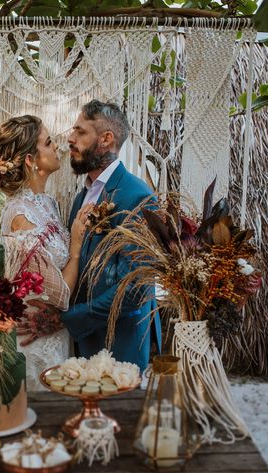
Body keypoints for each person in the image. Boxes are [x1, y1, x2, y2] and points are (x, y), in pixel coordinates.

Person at [18, 100, 161, 371]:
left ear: (106, 139)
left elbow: (134, 291)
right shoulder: (81, 197)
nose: (70, 139)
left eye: (81, 132)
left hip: (119, 347)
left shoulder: (137, 197)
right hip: (80, 346)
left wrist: (67, 319)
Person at [0, 115, 90, 391]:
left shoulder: (48, 204)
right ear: (31, 160)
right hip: (36, 343)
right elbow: (62, 296)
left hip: (56, 335)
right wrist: (76, 246)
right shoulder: (19, 214)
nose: (56, 147)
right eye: (47, 142)